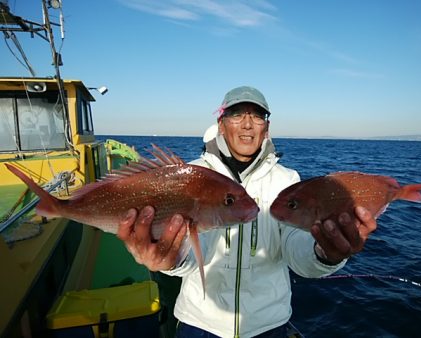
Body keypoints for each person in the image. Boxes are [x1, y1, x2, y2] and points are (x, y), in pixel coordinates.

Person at [117, 86, 377, 338]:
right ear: (221, 124)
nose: (248, 123)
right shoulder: (192, 176)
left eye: (257, 115)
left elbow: (295, 249)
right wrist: (170, 258)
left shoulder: (288, 181)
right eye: (236, 113)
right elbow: (197, 250)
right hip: (199, 323)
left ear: (266, 128)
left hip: (268, 325)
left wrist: (325, 253)